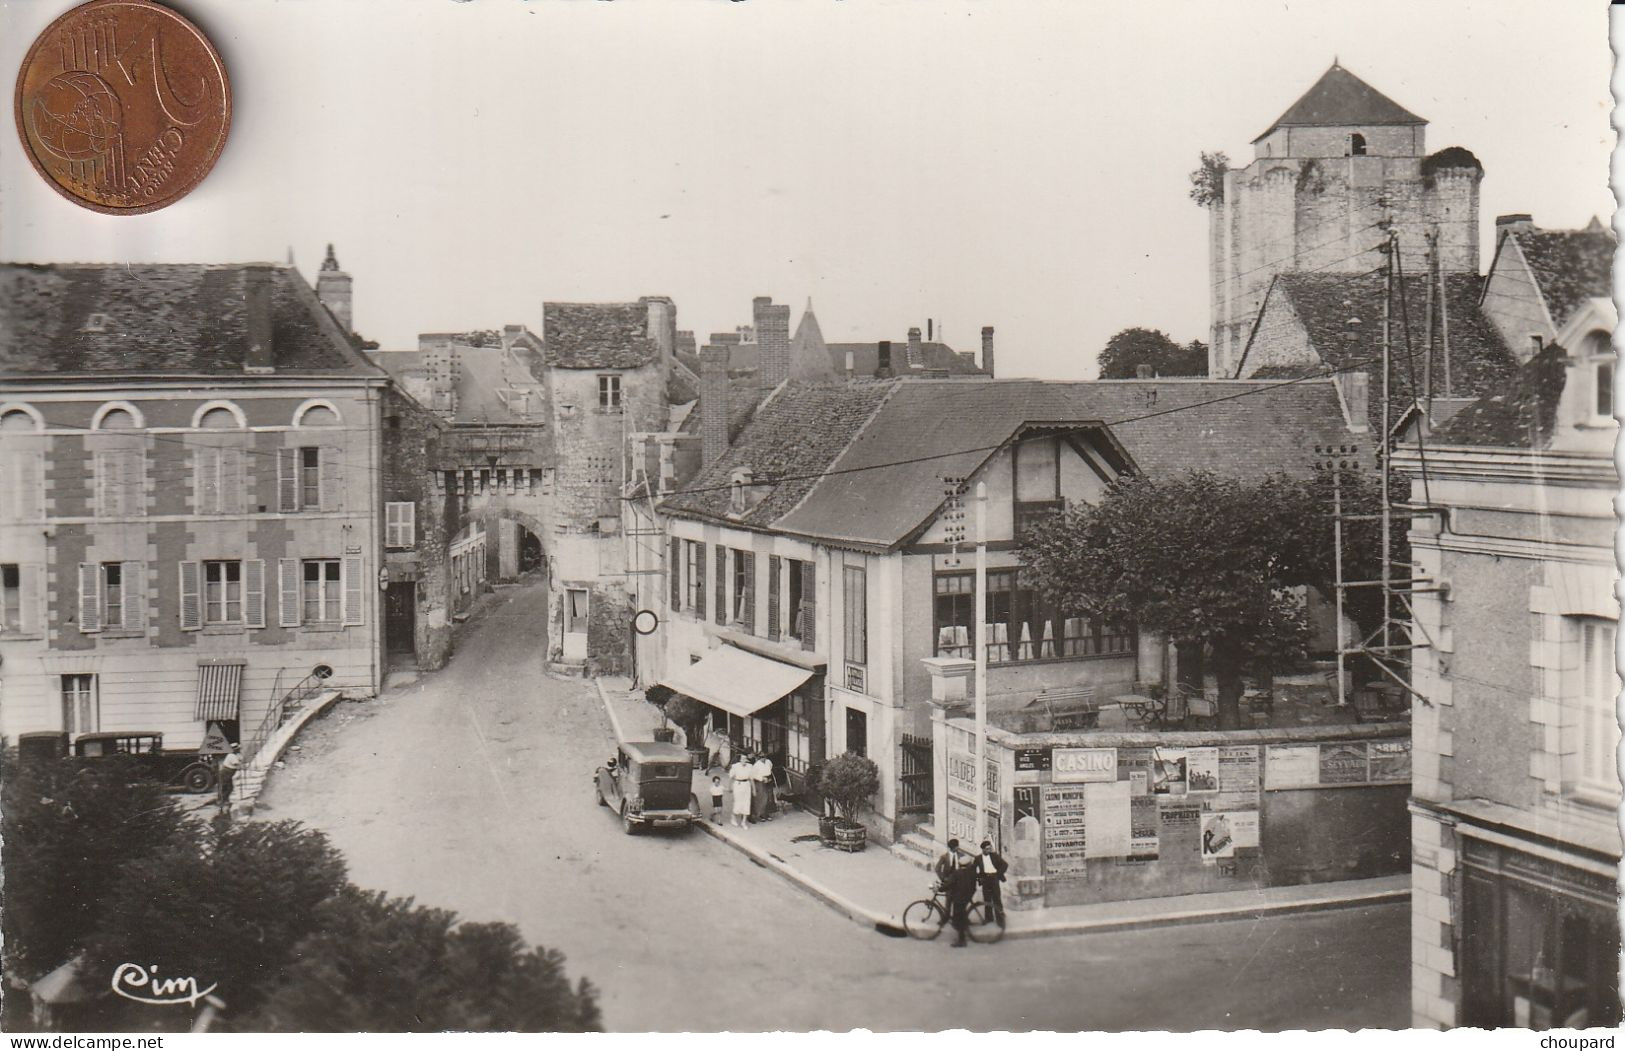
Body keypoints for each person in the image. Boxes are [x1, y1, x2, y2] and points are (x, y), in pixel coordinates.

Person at [945, 851, 979, 948]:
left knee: (958, 918)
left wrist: (940, 888)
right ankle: (965, 923)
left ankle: (961, 940)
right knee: (962, 913)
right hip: (968, 895)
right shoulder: (971, 872)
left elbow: (949, 884)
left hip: (959, 898)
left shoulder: (957, 873)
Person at [976, 839, 1009, 927]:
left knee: (997, 899)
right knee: (987, 900)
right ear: (982, 849)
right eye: (987, 849)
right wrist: (978, 878)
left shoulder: (995, 856)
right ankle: (989, 918)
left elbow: (1005, 864)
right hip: (985, 880)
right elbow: (973, 869)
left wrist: (998, 874)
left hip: (994, 879)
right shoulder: (978, 858)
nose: (989, 850)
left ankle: (1000, 919)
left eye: (990, 848)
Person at [729, 755, 753, 828]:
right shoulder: (735, 766)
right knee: (738, 802)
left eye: (745, 758)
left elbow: (751, 778)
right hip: (738, 785)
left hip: (747, 785)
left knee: (746, 802)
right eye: (742, 758)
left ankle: (743, 822)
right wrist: (729, 787)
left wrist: (754, 789)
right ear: (740, 759)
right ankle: (733, 817)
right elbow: (730, 777)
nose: (744, 760)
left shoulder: (750, 766)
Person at [218, 743, 243, 811]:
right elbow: (237, 763)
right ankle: (223, 801)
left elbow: (241, 760)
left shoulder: (235, 755)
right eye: (237, 749)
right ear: (234, 750)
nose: (238, 750)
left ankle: (225, 800)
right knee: (227, 787)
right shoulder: (231, 755)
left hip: (229, 772)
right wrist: (240, 762)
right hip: (226, 772)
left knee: (229, 787)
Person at [752, 754, 775, 822]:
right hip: (761, 781)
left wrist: (768, 778)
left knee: (769, 797)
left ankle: (767, 814)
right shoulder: (756, 765)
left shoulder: (768, 762)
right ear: (759, 758)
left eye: (764, 757)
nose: (763, 759)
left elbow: (770, 768)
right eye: (761, 757)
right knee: (763, 797)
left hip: (768, 780)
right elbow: (754, 774)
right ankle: (761, 814)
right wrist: (762, 778)